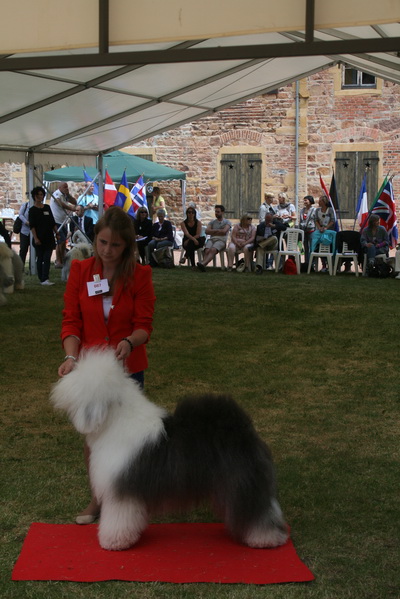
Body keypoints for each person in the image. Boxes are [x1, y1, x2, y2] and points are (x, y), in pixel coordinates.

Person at [58, 206, 156, 524]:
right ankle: (98, 498)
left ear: (127, 245)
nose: (107, 250)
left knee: (127, 438)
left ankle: (129, 497)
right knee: (95, 436)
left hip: (127, 369)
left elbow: (144, 325)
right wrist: (71, 357)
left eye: (115, 245)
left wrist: (129, 341)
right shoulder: (80, 271)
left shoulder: (140, 275)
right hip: (92, 373)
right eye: (102, 242)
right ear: (95, 238)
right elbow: (71, 321)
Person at [29, 186, 59, 285]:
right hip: (39, 238)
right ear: (34, 196)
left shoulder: (47, 207)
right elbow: (32, 226)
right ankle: (41, 278)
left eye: (41, 195)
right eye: (38, 195)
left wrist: (57, 232)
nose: (39, 196)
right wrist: (35, 238)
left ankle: (45, 277)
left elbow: (52, 222)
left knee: (47, 258)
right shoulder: (32, 210)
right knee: (40, 257)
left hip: (49, 237)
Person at [50, 182, 78, 267]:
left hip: (63, 221)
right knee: (60, 241)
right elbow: (60, 203)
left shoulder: (65, 195)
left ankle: (62, 259)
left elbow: (74, 201)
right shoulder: (57, 194)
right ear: (60, 187)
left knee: (63, 241)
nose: (66, 188)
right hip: (56, 221)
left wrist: (68, 195)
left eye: (67, 187)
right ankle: (58, 261)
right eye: (65, 187)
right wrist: (71, 208)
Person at [197, 205, 231, 271]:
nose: (216, 213)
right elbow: (207, 231)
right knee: (207, 250)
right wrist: (219, 230)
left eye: (218, 212)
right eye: (215, 212)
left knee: (213, 250)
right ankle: (203, 265)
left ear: (222, 212)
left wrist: (212, 231)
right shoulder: (212, 222)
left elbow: (224, 232)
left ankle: (203, 264)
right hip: (212, 239)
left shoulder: (227, 222)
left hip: (221, 240)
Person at [311, 195, 336, 272]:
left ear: (324, 202)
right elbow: (316, 220)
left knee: (329, 247)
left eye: (320, 201)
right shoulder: (317, 210)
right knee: (319, 247)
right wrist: (319, 228)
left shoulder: (330, 210)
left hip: (329, 231)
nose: (319, 202)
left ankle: (331, 265)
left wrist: (326, 228)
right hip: (320, 230)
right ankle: (323, 264)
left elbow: (332, 220)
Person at [299, 195, 316, 269]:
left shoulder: (314, 210)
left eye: (306, 200)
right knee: (305, 247)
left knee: (311, 247)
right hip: (304, 231)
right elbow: (301, 220)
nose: (304, 202)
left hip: (311, 230)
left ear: (310, 201)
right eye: (304, 200)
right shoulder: (302, 210)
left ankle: (312, 263)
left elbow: (316, 220)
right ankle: (306, 263)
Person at [17, 200, 31, 268]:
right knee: (23, 249)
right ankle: (20, 267)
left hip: (34, 232)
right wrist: (26, 222)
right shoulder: (25, 205)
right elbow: (20, 215)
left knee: (34, 251)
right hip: (24, 231)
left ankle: (32, 267)